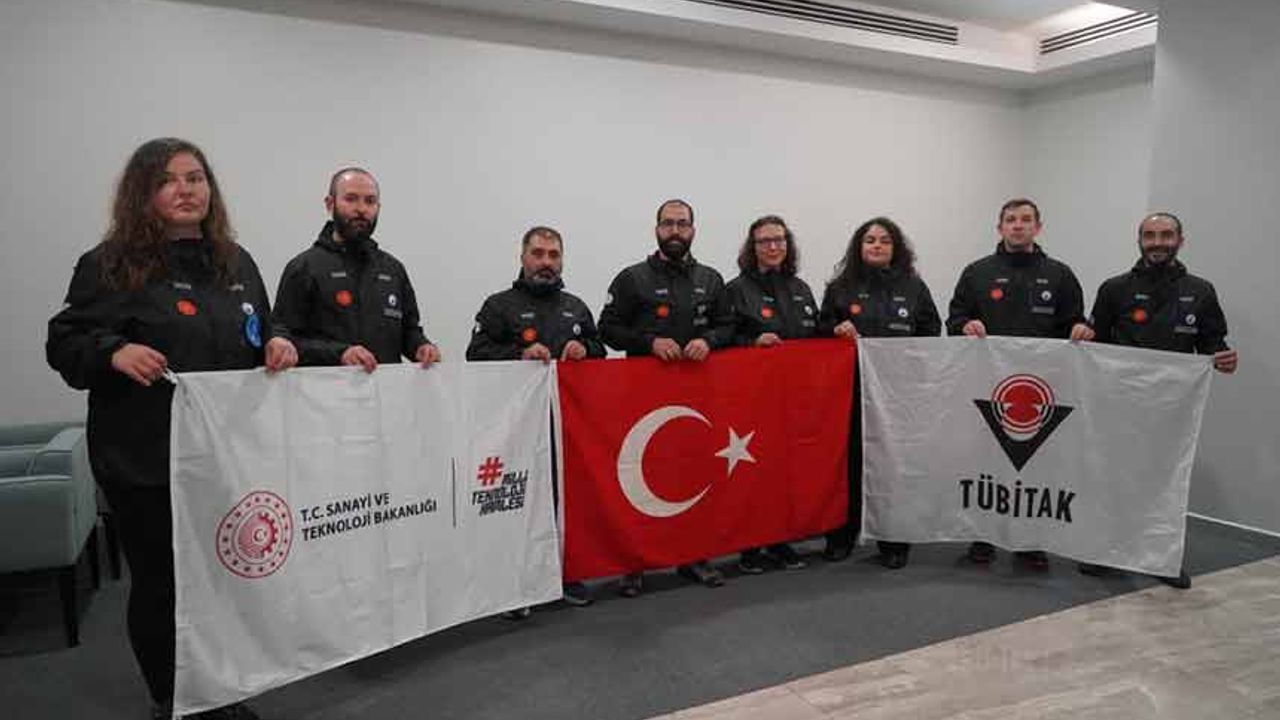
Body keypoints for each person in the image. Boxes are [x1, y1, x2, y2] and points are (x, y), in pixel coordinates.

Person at [47, 138, 297, 720]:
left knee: (223, 577)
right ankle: (175, 698)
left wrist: (279, 342)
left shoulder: (236, 262)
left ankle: (220, 686)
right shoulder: (110, 264)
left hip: (223, 456)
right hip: (144, 459)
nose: (186, 190)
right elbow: (65, 341)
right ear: (143, 193)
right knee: (165, 582)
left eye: (195, 178)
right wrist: (113, 352)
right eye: (168, 181)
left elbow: (263, 327)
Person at [1082, 211, 1238, 589]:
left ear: (1180, 240)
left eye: (1166, 235)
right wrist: (1082, 337)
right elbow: (1095, 341)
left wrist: (1223, 358)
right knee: (1114, 477)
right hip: (1120, 402)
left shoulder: (1201, 291)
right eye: (1150, 235)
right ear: (1139, 240)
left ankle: (1161, 558)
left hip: (1173, 408)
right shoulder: (1114, 289)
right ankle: (1106, 552)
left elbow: (1213, 342)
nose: (1157, 243)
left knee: (1165, 483)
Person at [598, 199, 735, 596]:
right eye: (668, 224)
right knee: (639, 478)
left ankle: (695, 557)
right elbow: (607, 329)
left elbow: (729, 326)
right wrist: (649, 342)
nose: (675, 231)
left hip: (697, 400)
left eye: (682, 224)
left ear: (693, 230)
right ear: (656, 229)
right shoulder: (631, 279)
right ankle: (634, 563)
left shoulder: (712, 280)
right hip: (642, 401)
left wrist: (709, 340)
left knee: (693, 473)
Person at [946, 198, 1091, 570]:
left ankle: (1029, 542)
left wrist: (1081, 329)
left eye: (1026, 220)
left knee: (1035, 465)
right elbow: (954, 319)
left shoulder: (1060, 275)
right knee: (985, 463)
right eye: (1011, 220)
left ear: (1038, 228)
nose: (1018, 225)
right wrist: (964, 325)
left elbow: (1075, 322)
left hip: (1042, 389)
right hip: (987, 388)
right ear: (1000, 228)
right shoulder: (976, 273)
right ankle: (982, 538)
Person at [466, 225, 606, 609]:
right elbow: (475, 354)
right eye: (539, 253)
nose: (546, 262)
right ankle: (516, 588)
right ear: (523, 257)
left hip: (566, 425)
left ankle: (566, 575)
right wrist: (519, 355)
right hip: (516, 428)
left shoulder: (576, 307)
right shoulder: (498, 306)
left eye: (554, 255)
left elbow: (598, 349)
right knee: (519, 503)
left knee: (566, 499)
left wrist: (585, 348)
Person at [819, 217, 942, 568]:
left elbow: (931, 331)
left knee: (893, 466)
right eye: (870, 240)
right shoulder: (840, 288)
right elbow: (820, 329)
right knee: (848, 465)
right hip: (850, 392)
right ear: (859, 246)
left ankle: (894, 540)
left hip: (897, 396)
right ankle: (841, 535)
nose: (877, 245)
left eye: (885, 240)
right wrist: (835, 329)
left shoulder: (914, 288)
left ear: (895, 248)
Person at [271, 167, 440, 371]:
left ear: (378, 207)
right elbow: (285, 340)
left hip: (387, 390)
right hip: (324, 389)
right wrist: (340, 354)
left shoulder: (393, 269)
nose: (361, 209)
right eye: (351, 199)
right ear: (330, 204)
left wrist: (421, 347)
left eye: (370, 201)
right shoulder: (304, 267)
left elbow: (409, 331)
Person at [724, 215, 817, 574]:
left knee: (786, 470)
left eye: (779, 240)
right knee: (752, 473)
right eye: (765, 241)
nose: (773, 246)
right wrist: (752, 342)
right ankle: (750, 546)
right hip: (751, 399)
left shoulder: (801, 289)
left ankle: (781, 540)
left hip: (794, 399)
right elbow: (723, 337)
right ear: (753, 247)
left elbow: (817, 335)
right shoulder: (736, 290)